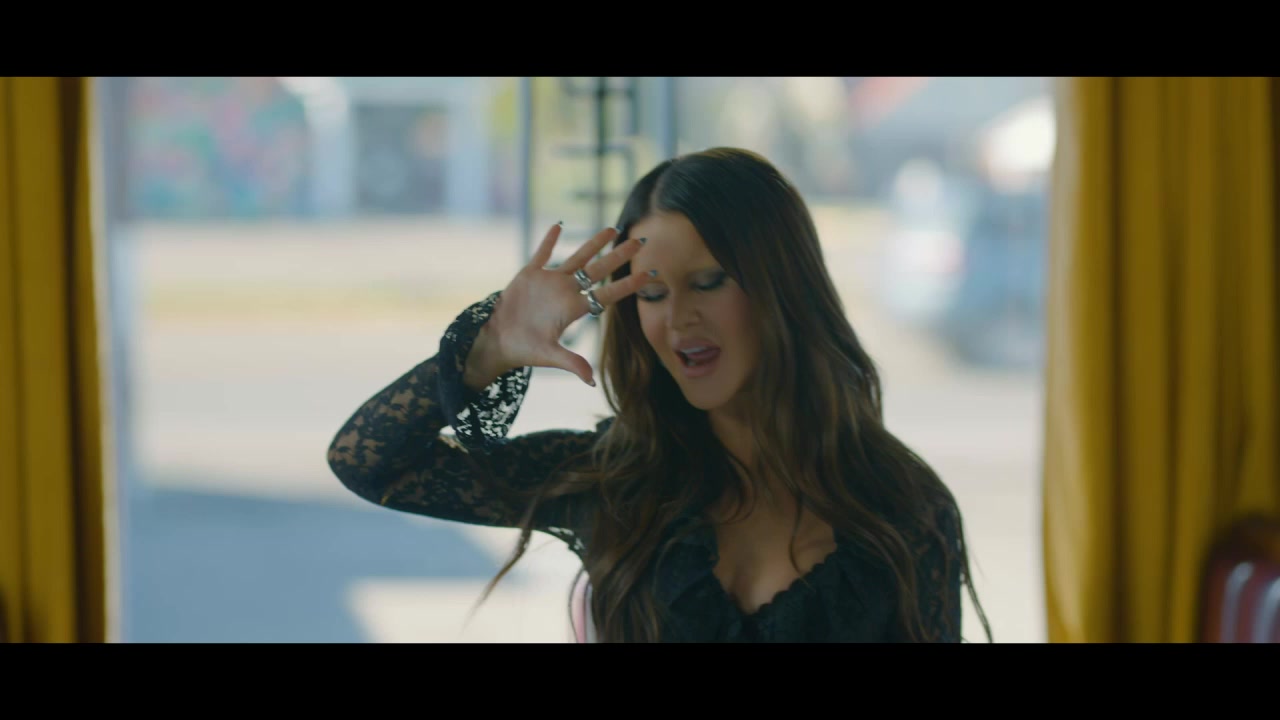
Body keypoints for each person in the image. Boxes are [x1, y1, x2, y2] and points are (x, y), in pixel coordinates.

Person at [327, 147, 991, 642]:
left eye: (708, 283)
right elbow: (371, 463)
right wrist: (489, 349)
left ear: (782, 285)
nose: (677, 320)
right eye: (651, 293)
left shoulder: (901, 504)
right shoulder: (613, 482)